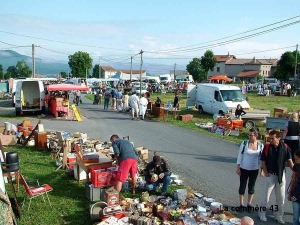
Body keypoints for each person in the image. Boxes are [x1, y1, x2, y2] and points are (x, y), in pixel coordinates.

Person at [258, 129, 294, 224]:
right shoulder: (267, 147)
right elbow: (263, 162)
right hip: (270, 174)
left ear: (278, 138)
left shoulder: (285, 147)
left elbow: (289, 160)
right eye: (269, 138)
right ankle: (261, 213)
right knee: (266, 196)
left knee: (281, 197)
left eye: (272, 138)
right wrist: (266, 173)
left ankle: (278, 215)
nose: (270, 140)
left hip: (281, 175)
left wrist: (295, 171)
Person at [236, 128, 264, 208]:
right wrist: (238, 168)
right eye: (249, 135)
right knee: (242, 186)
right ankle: (241, 204)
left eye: (251, 135)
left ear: (256, 135)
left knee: (251, 187)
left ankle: (249, 204)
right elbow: (240, 156)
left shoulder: (260, 146)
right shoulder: (244, 143)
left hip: (254, 169)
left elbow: (261, 159)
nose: (249, 137)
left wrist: (262, 170)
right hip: (244, 168)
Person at [288, 149, 300, 225]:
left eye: (297, 158)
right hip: (295, 193)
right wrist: (290, 192)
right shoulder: (296, 165)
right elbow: (294, 179)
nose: (295, 160)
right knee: (295, 217)